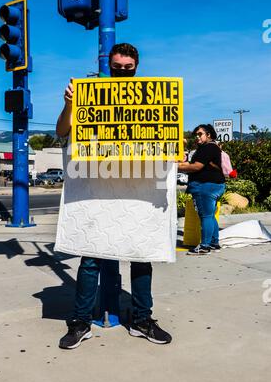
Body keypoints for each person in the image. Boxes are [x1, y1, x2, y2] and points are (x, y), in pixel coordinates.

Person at [56, 43, 172, 349]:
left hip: (137, 190)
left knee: (141, 255)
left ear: (136, 66)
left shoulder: (153, 99)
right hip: (99, 189)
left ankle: (141, 319)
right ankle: (81, 321)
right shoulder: (88, 94)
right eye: (117, 67)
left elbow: (164, 141)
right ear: (109, 64)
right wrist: (70, 105)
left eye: (127, 68)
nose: (122, 72)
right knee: (90, 256)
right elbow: (61, 132)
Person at [178, 124, 226, 255]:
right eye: (196, 135)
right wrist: (179, 163)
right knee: (210, 215)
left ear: (208, 134)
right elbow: (193, 164)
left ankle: (204, 246)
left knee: (205, 216)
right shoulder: (210, 147)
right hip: (215, 185)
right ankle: (214, 243)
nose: (197, 137)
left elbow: (196, 167)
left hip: (205, 186)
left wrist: (177, 168)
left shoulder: (208, 148)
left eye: (200, 134)